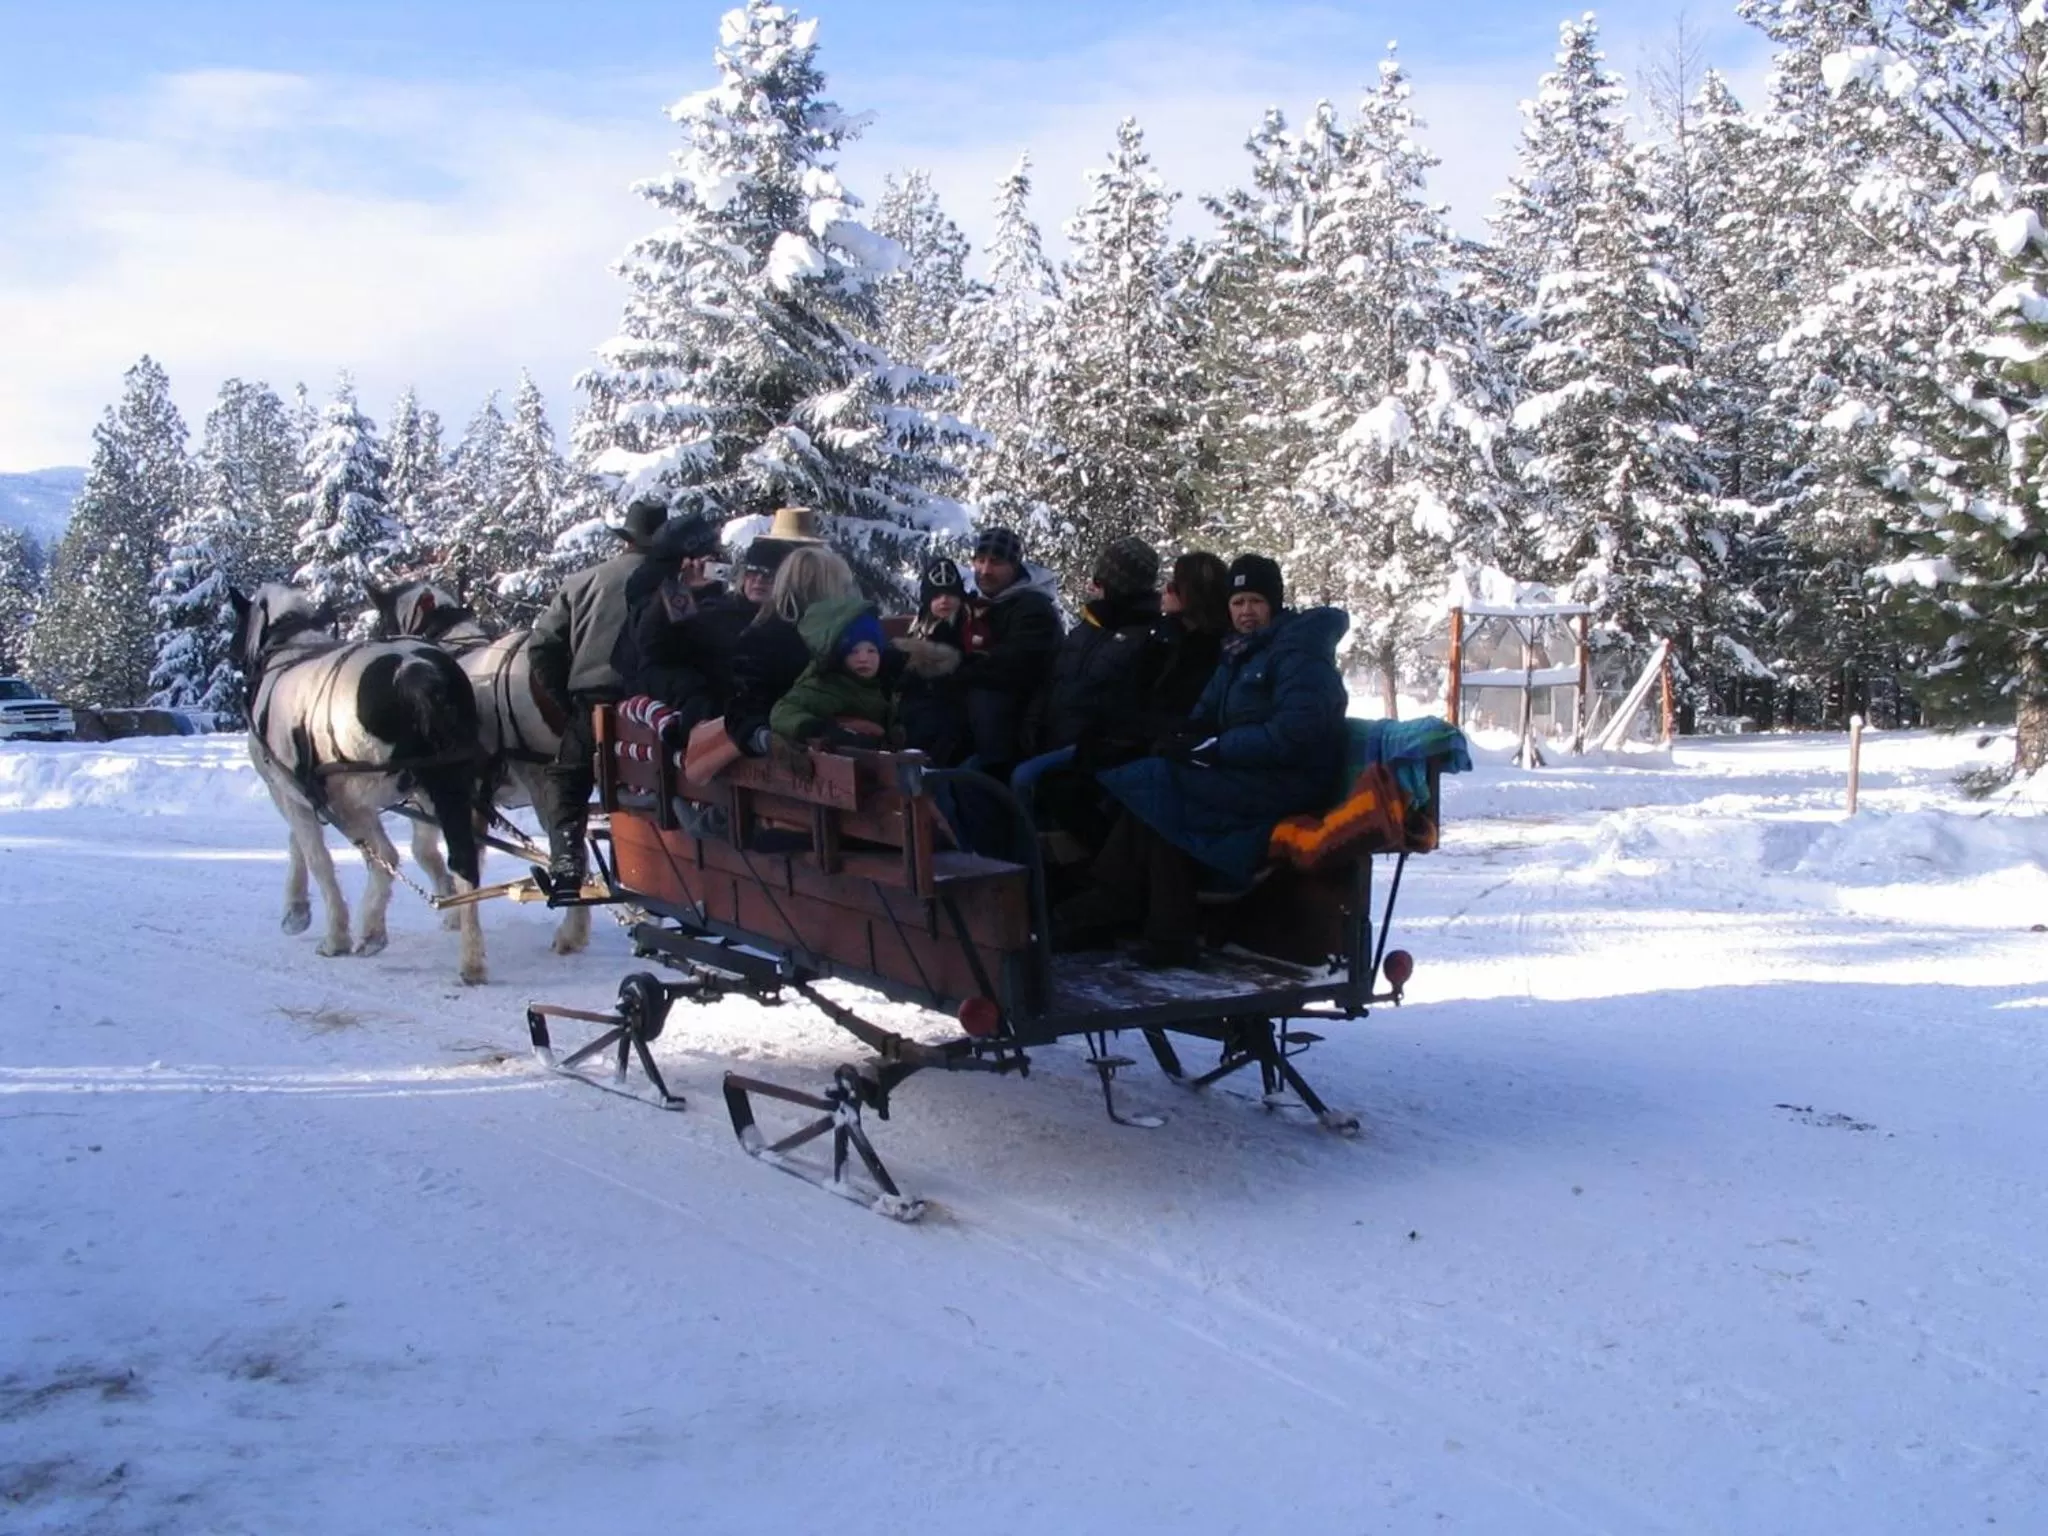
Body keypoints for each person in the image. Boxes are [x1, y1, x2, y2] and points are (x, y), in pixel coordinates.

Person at [1057, 553, 1350, 968]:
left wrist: (1217, 747)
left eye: (1255, 601)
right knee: (1152, 788)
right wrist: (1180, 738)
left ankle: (1120, 903)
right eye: (1238, 603)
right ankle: (1149, 921)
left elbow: (1296, 736)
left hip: (1290, 781)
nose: (1246, 612)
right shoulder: (1239, 652)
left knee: (1160, 786)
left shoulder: (1299, 654)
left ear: (1275, 604)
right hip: (1250, 772)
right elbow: (1205, 713)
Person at [529, 496, 715, 888]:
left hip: (595, 697)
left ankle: (566, 861)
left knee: (566, 778)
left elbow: (543, 646)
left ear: (626, 539)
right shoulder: (678, 583)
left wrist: (568, 700)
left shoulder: (583, 581)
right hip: (658, 701)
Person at [723, 543, 859, 758]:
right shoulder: (766, 637)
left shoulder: (845, 632)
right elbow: (744, 708)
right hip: (804, 747)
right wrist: (767, 740)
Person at [769, 598, 897, 749]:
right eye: (853, 651)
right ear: (840, 656)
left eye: (871, 651)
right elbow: (782, 712)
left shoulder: (889, 686)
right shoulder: (825, 686)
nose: (863, 659)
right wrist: (823, 729)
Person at [894, 556, 969, 764]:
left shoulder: (966, 628)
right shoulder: (920, 629)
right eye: (937, 596)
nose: (944, 600)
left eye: (950, 594)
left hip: (948, 711)